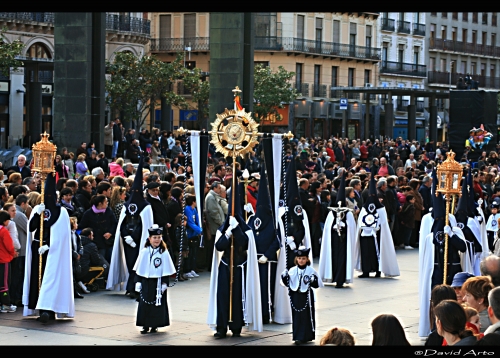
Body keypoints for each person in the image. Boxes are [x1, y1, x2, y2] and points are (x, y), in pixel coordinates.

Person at [207, 183, 262, 338]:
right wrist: (228, 232)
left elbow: (245, 242)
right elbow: (219, 246)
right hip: (225, 265)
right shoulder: (223, 229)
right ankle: (221, 327)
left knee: (238, 296)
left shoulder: (245, 229)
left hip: (240, 267)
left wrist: (237, 229)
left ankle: (236, 326)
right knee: (223, 296)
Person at [22, 174, 74, 323]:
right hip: (37, 247)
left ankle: (49, 309)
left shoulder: (62, 212)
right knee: (36, 279)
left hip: (52, 251)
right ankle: (38, 305)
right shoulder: (38, 208)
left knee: (51, 278)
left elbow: (63, 235)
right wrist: (37, 214)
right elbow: (31, 228)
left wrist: (50, 245)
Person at [107, 157, 154, 298]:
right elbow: (122, 222)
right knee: (129, 263)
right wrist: (126, 236)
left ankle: (134, 287)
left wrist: (135, 237)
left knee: (137, 263)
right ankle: (130, 286)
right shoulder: (126, 206)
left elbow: (144, 224)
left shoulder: (146, 207)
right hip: (128, 240)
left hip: (139, 241)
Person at [247, 163, 281, 323]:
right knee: (255, 288)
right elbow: (249, 235)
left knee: (267, 288)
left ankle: (267, 313)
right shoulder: (253, 219)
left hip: (268, 260)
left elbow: (277, 240)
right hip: (254, 258)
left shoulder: (274, 222)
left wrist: (267, 255)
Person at [355, 175, 400, 278]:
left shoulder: (381, 209)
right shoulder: (364, 208)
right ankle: (365, 270)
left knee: (376, 252)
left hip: (377, 234)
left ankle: (378, 270)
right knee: (365, 253)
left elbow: (383, 222)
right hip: (365, 235)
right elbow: (361, 220)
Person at [133, 224, 175, 334]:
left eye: (159, 237)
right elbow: (139, 268)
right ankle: (145, 325)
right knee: (144, 304)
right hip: (146, 281)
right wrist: (137, 281)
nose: (157, 240)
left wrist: (165, 283)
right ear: (149, 239)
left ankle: (154, 325)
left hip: (158, 282)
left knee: (157, 304)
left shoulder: (163, 252)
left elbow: (166, 269)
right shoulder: (144, 251)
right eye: (154, 238)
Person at [319, 169, 357, 288]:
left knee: (342, 260)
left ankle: (340, 279)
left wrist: (345, 227)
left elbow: (352, 228)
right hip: (333, 240)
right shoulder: (331, 214)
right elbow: (327, 228)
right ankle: (332, 276)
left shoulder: (349, 214)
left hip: (344, 241)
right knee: (333, 258)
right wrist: (334, 227)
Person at [281, 247, 323, 345]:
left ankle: (306, 336)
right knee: (296, 316)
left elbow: (317, 285)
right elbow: (288, 283)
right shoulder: (292, 270)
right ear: (296, 259)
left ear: (307, 259)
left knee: (306, 316)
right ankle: (297, 336)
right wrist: (284, 276)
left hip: (306, 296)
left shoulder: (311, 270)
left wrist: (313, 280)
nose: (301, 260)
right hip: (295, 296)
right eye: (299, 258)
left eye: (303, 258)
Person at [0, 210, 17, 312]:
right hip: (4, 259)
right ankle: (6, 304)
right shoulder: (4, 231)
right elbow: (9, 246)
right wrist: (13, 253)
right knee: (5, 283)